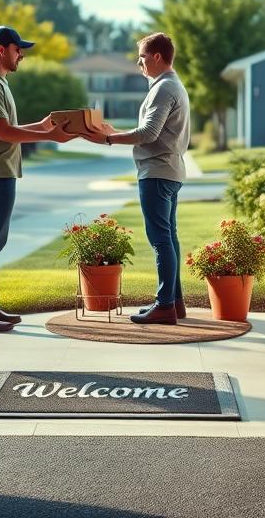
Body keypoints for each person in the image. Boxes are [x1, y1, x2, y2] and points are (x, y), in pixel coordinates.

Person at [0, 25, 75, 332]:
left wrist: (41, 126)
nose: (21, 54)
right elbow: (3, 132)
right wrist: (49, 135)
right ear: (1, 50)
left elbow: (7, 128)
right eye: (17, 49)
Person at [83, 32, 191, 325]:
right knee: (169, 238)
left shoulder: (163, 89)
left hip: (156, 173)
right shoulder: (172, 85)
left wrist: (108, 139)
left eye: (142, 57)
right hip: (169, 171)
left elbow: (148, 134)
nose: (139, 63)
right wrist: (110, 129)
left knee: (161, 241)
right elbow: (151, 130)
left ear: (157, 57)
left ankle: (165, 304)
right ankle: (175, 302)